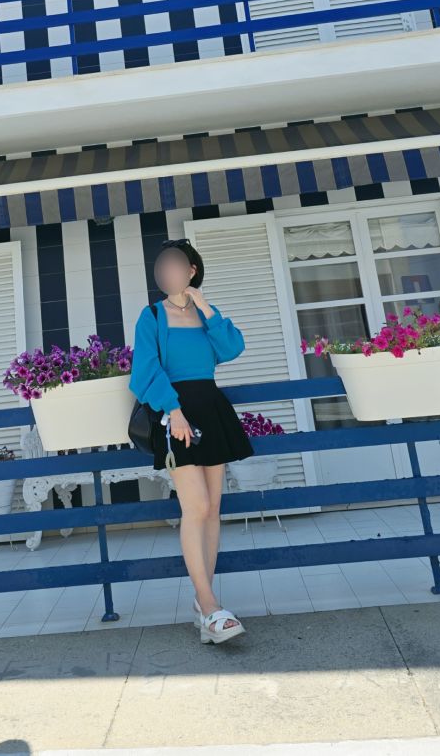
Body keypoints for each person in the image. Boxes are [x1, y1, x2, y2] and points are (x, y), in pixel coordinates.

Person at [129, 238, 253, 644]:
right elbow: (144, 371)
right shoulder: (151, 316)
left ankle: (205, 605)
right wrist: (173, 410)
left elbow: (232, 348)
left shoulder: (204, 313)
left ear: (191, 271)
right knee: (195, 507)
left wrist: (206, 307)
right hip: (175, 414)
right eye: (162, 268)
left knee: (213, 509)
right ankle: (209, 604)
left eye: (175, 266)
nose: (167, 273)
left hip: (211, 408)